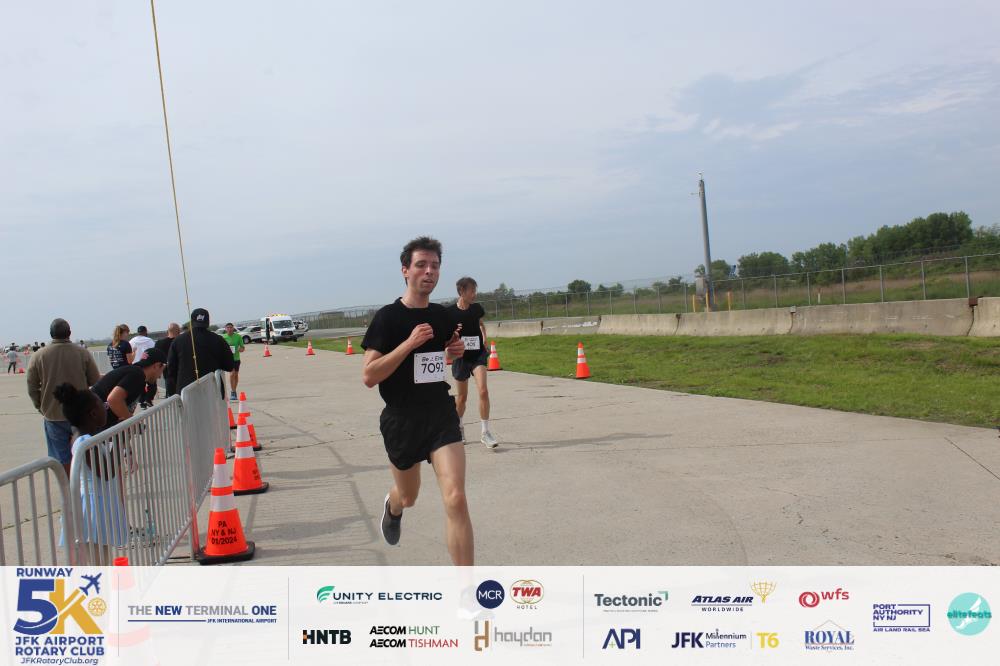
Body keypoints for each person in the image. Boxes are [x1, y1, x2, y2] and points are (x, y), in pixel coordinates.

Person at [361, 236, 472, 565]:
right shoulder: (388, 318)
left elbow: (441, 355)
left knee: (456, 498)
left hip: (440, 413)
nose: (429, 271)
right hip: (402, 419)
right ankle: (394, 506)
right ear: (405, 270)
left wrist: (453, 350)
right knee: (409, 496)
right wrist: (408, 343)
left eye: (435, 266)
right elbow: (369, 375)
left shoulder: (442, 316)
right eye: (421, 265)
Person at [53, 383, 127, 561]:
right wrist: (120, 439)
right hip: (92, 508)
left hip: (99, 502)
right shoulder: (83, 442)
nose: (106, 408)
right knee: (97, 560)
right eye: (103, 405)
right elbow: (106, 471)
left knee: (101, 557)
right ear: (93, 414)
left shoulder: (89, 438)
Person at [26, 318, 101, 476]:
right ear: (69, 333)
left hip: (53, 415)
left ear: (51, 334)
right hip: (81, 414)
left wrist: (41, 407)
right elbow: (95, 380)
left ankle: (69, 486)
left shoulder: (39, 355)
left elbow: (32, 387)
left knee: (61, 458)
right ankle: (86, 484)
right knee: (86, 453)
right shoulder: (82, 352)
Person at [446, 277, 498, 448]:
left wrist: (484, 338)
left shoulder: (476, 309)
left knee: (483, 390)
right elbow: (445, 336)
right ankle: (459, 428)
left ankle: (485, 432)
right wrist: (452, 337)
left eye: (475, 290)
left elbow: (480, 324)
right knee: (462, 398)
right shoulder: (450, 313)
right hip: (460, 358)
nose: (475, 294)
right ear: (462, 291)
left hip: (478, 356)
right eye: (472, 291)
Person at [91, 348, 167, 431]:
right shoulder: (137, 375)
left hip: (97, 421)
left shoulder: (135, 372)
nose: (160, 376)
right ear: (156, 366)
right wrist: (133, 423)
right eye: (162, 370)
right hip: (93, 423)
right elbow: (114, 399)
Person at [165, 308, 235, 395]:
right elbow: (229, 365)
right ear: (208, 322)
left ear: (191, 322)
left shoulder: (177, 341)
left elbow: (171, 369)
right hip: (212, 391)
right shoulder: (218, 339)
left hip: (186, 392)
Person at [219, 322, 246, 401]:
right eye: (228, 327)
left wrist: (240, 349)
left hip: (236, 359)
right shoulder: (223, 337)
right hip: (228, 359)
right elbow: (220, 348)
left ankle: (234, 390)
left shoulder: (238, 336)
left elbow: (242, 348)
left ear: (233, 328)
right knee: (232, 374)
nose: (229, 329)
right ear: (225, 329)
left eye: (231, 327)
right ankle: (233, 392)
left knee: (236, 375)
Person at [155, 323, 181, 397]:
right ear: (178, 331)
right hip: (181, 371)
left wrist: (158, 372)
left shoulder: (159, 343)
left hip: (167, 371)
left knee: (171, 396)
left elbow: (156, 358)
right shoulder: (181, 341)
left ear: (168, 331)